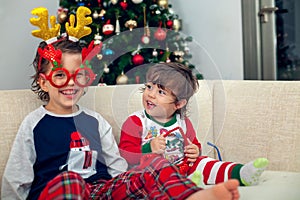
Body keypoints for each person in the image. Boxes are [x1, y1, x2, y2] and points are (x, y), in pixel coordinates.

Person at [1, 6, 241, 200]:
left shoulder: (95, 122)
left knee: (154, 163)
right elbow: (15, 180)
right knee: (71, 180)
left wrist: (135, 182)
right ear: (44, 83)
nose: (70, 83)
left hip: (99, 191)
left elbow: (118, 168)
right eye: (60, 75)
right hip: (58, 191)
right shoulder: (34, 124)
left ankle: (192, 196)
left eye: (79, 75)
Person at [119, 62, 269, 187]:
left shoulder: (183, 122)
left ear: (178, 103)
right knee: (156, 166)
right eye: (149, 87)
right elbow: (125, 155)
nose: (150, 94)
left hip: (183, 167)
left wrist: (195, 150)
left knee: (204, 162)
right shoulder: (136, 121)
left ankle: (241, 174)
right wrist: (149, 148)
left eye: (161, 92)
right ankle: (185, 185)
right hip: (151, 172)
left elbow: (194, 144)